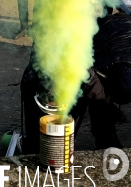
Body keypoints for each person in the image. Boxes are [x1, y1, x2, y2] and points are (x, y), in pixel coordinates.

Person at [20, 12, 131, 153]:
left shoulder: (84, 74)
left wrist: (108, 144)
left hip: (112, 38)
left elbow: (100, 102)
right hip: (45, 72)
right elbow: (31, 116)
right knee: (36, 143)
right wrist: (34, 148)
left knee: (98, 107)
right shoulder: (32, 79)